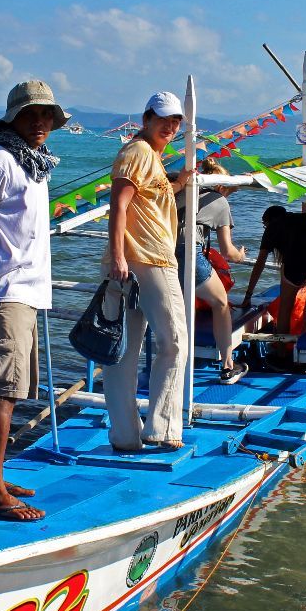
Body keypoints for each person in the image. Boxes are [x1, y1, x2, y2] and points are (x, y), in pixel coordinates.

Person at [0, 79, 69, 522]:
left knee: (12, 390)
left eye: (46, 116)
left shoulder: (33, 164)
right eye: (31, 115)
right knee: (3, 392)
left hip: (25, 291)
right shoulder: (0, 159)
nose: (40, 122)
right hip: (5, 290)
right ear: (13, 119)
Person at [104, 91, 194, 451]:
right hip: (149, 260)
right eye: (164, 120)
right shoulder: (138, 152)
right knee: (175, 342)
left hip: (134, 261)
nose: (170, 127)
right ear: (146, 119)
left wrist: (179, 184)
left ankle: (126, 435)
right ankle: (163, 426)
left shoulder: (148, 156)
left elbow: (147, 198)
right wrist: (117, 256)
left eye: (175, 121)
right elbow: (118, 205)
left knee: (124, 352)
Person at [174, 158, 247, 384]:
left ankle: (178, 362)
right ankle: (227, 365)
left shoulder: (182, 192)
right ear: (221, 186)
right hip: (189, 253)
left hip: (164, 253)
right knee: (221, 303)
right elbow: (227, 251)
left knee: (182, 308)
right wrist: (241, 255)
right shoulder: (219, 201)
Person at [240, 204, 306, 358]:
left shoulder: (273, 228)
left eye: (264, 224)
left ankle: (281, 352)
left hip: (295, 263)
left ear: (269, 221)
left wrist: (248, 295)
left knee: (286, 307)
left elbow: (260, 263)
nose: (265, 227)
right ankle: (305, 354)